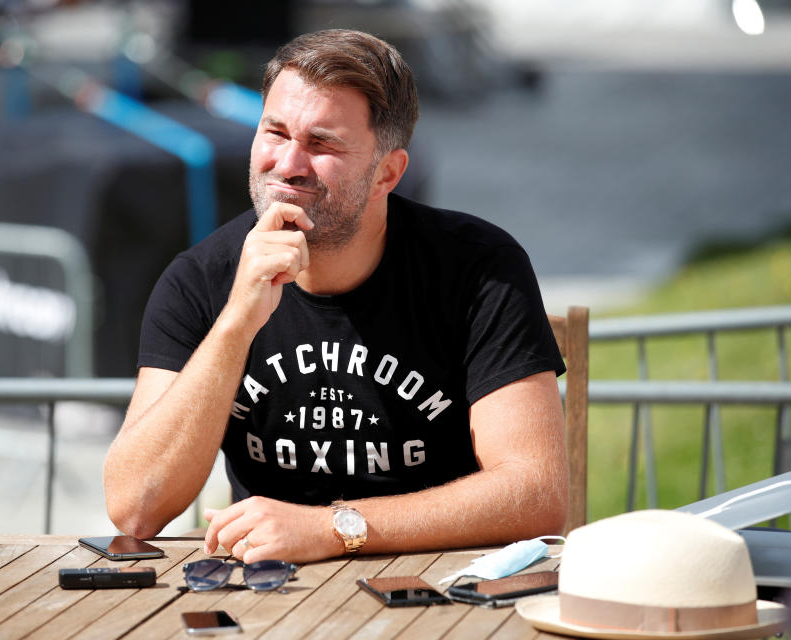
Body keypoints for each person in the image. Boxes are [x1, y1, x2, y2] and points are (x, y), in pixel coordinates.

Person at [104, 29, 568, 564]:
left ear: (387, 173)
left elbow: (536, 494)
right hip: (271, 595)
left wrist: (333, 528)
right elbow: (135, 508)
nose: (289, 164)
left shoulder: (479, 269)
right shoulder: (200, 279)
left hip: (442, 587)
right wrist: (237, 321)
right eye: (275, 132)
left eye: (322, 143)